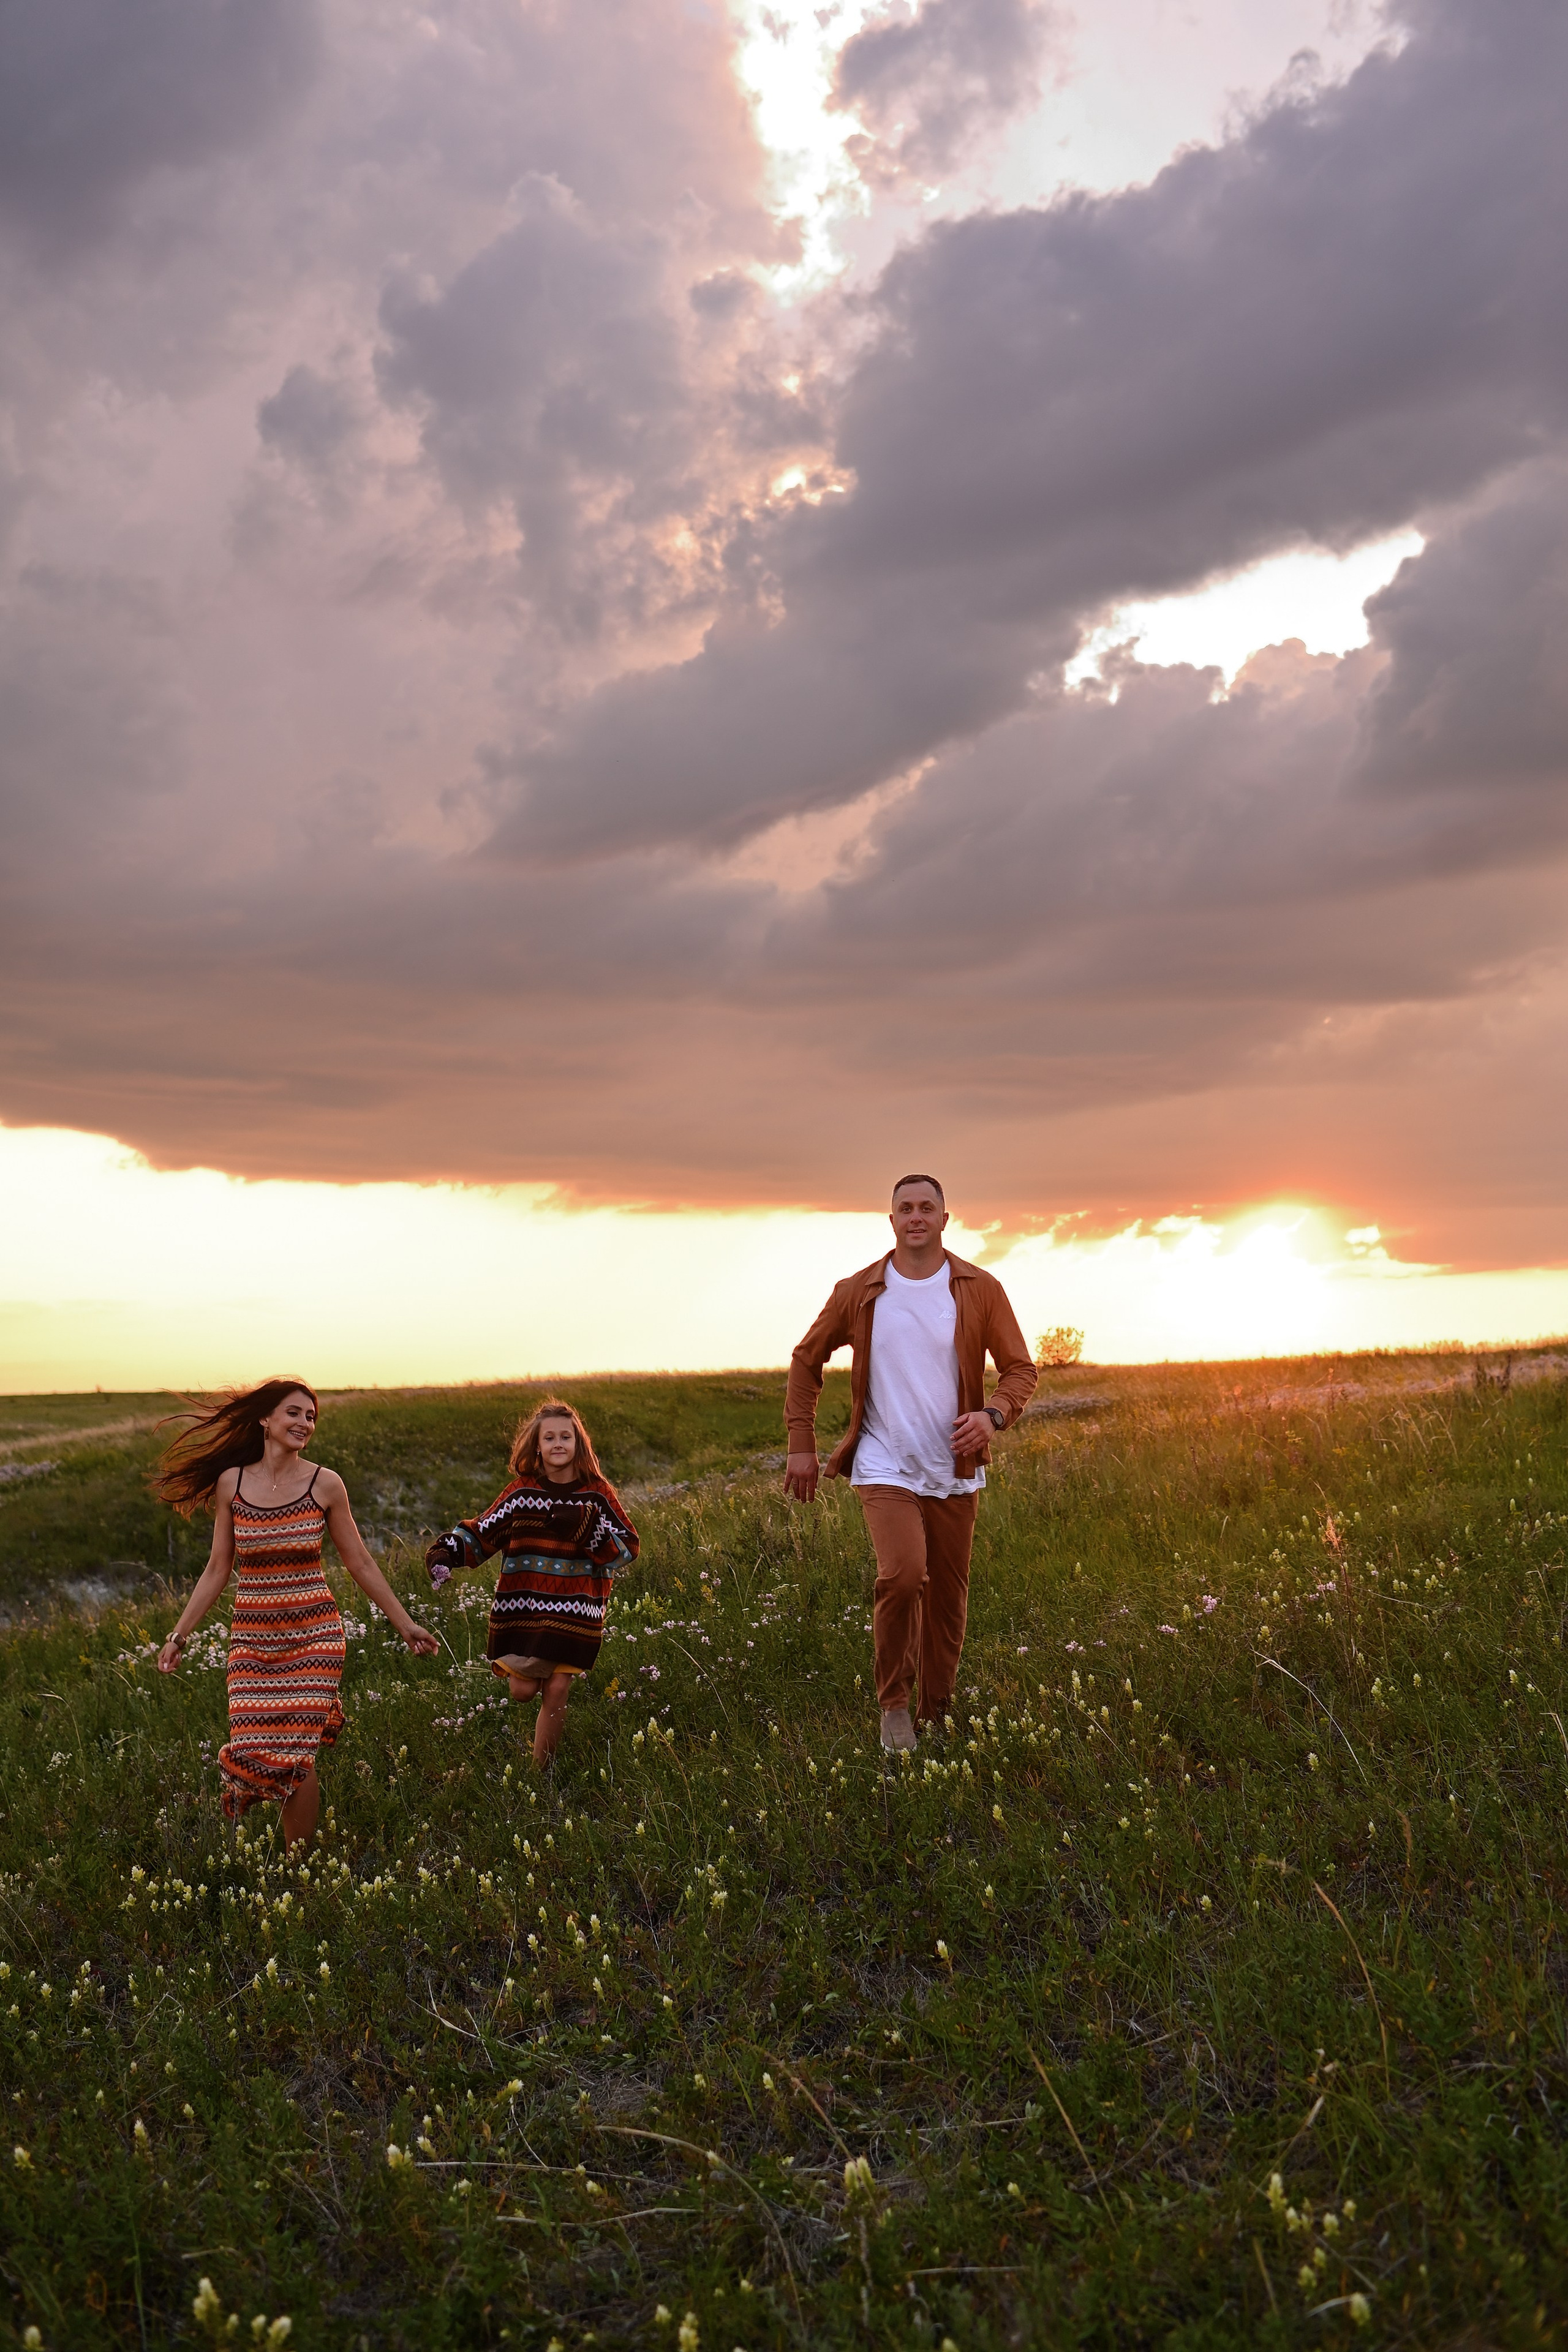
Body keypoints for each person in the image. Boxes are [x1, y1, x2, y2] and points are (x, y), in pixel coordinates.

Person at [783, 1175, 1038, 1752]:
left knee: (947, 1600)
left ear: (946, 1218)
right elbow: (806, 1359)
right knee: (903, 1576)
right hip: (884, 1462)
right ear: (891, 1220)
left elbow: (1021, 1369)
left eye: (928, 1207)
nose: (916, 1216)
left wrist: (993, 1416)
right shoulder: (860, 1291)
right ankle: (894, 1705)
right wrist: (802, 1443)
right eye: (906, 1208)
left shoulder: (980, 1288)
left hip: (953, 1467)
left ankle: (936, 1713)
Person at [155, 1378, 439, 1847]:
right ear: (265, 1419)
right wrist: (179, 1635)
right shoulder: (234, 1483)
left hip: (315, 1639)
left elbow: (360, 1561)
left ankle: (298, 1867)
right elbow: (216, 1569)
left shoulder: (325, 1484)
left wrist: (404, 1623)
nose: (304, 1423)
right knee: (254, 1749)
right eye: (294, 1413)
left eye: (311, 1416)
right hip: (251, 1643)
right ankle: (295, 1859)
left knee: (297, 1754)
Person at [424, 1398, 639, 1768]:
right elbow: (484, 1533)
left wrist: (588, 1530)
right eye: (550, 1437)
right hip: (525, 1608)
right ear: (537, 1446)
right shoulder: (521, 1493)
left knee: (557, 1689)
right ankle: (539, 1746)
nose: (558, 1443)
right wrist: (449, 1551)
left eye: (566, 1437)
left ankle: (543, 1772)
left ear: (579, 1444)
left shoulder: (598, 1494)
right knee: (523, 1690)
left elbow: (627, 1548)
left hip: (578, 1607)